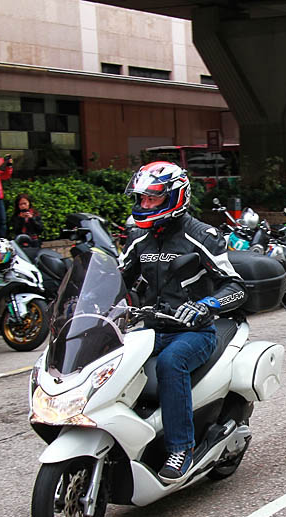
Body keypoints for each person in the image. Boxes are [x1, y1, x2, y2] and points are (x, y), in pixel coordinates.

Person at [119, 161, 246, 482]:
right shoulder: (139, 238)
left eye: (153, 199)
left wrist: (206, 305)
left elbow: (235, 286)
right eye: (142, 199)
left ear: (174, 197)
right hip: (151, 329)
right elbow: (118, 281)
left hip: (195, 332)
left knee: (171, 364)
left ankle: (181, 448)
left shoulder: (200, 235)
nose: (145, 205)